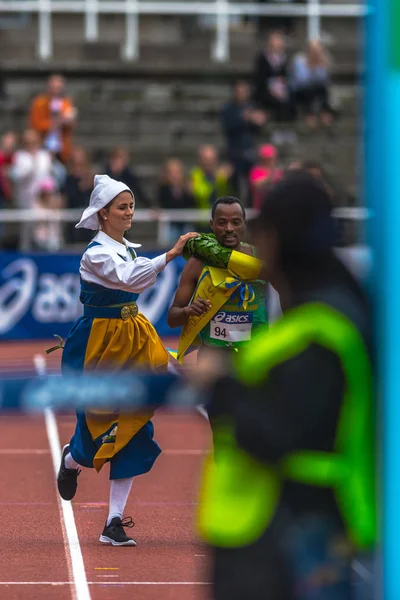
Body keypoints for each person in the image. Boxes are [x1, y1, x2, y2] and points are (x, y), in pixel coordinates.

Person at [192, 171, 376, 599]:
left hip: (289, 527)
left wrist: (221, 384)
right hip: (283, 528)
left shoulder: (320, 331)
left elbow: (279, 432)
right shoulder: (320, 318)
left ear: (277, 238)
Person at [57, 174, 198, 546]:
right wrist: (170, 254)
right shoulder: (96, 253)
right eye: (122, 207)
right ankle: (72, 458)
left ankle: (113, 522)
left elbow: (134, 280)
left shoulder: (128, 248)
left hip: (131, 335)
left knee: (134, 428)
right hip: (97, 344)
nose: (129, 212)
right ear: (103, 214)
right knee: (95, 430)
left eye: (131, 205)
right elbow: (130, 279)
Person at [167, 196, 267, 361]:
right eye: (222, 223)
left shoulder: (260, 259)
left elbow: (289, 297)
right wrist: (188, 310)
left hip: (256, 354)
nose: (229, 228)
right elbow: (172, 318)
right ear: (211, 225)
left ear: (244, 224)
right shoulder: (197, 263)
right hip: (213, 359)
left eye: (236, 222)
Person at [220, 80, 266, 202]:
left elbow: (259, 126)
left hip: (250, 151)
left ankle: (251, 206)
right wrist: (244, 119)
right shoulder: (228, 109)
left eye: (244, 91)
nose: (242, 93)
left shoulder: (252, 107)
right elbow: (227, 127)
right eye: (239, 91)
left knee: (253, 182)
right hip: (235, 152)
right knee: (235, 183)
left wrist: (258, 120)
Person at [29, 74, 76, 163]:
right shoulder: (40, 103)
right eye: (53, 87)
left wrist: (68, 122)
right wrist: (56, 122)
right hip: (42, 144)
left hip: (61, 147)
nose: (55, 90)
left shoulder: (66, 103)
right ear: (48, 87)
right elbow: (36, 124)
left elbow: (71, 124)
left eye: (58, 87)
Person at [290, 40, 334, 128]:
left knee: (323, 90)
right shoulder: (299, 60)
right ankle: (309, 115)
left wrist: (318, 66)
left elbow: (323, 80)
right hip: (299, 91)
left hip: (316, 90)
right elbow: (301, 81)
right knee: (308, 90)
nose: (316, 53)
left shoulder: (323, 60)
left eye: (318, 51)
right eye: (313, 50)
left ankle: (325, 113)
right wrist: (310, 67)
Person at [249, 144, 283, 210]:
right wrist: (271, 174)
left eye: (272, 158)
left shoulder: (279, 172)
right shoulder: (256, 170)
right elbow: (257, 185)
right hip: (260, 208)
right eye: (268, 159)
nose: (270, 161)